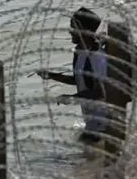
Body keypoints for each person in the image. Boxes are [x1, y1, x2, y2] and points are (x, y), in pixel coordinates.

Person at [35, 7, 110, 145]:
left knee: (78, 160)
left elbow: (100, 93)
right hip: (91, 125)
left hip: (104, 126)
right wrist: (52, 76)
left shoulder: (97, 57)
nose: (70, 32)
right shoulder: (80, 54)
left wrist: (72, 98)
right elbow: (80, 80)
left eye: (73, 28)